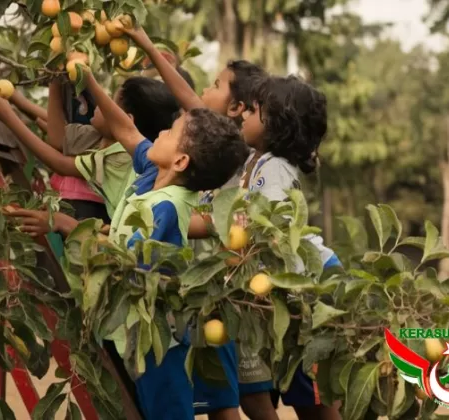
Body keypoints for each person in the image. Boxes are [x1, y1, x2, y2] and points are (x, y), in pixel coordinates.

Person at [7, 64, 249, 419]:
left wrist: (63, 224)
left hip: (158, 344)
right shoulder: (155, 173)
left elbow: (121, 258)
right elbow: (125, 127)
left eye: (170, 132)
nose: (161, 133)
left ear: (180, 160)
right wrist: (87, 78)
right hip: (138, 335)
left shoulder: (166, 207)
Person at [123, 24, 268, 420]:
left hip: (213, 294)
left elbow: (222, 226)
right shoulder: (200, 154)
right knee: (218, 397)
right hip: (191, 298)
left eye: (217, 84)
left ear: (237, 108)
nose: (205, 90)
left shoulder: (228, 161)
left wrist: (149, 47)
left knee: (234, 399)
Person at [238, 75, 343, 420]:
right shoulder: (258, 162)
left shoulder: (273, 169)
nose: (244, 115)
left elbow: (273, 234)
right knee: (304, 391)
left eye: (254, 110)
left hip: (305, 286)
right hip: (293, 284)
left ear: (277, 124)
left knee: (313, 395)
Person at [0, 75, 181, 221]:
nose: (99, 105)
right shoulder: (103, 136)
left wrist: (7, 115)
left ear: (124, 121)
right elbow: (58, 138)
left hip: (96, 222)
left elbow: (60, 163)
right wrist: (55, 82)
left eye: (107, 103)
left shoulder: (120, 157)